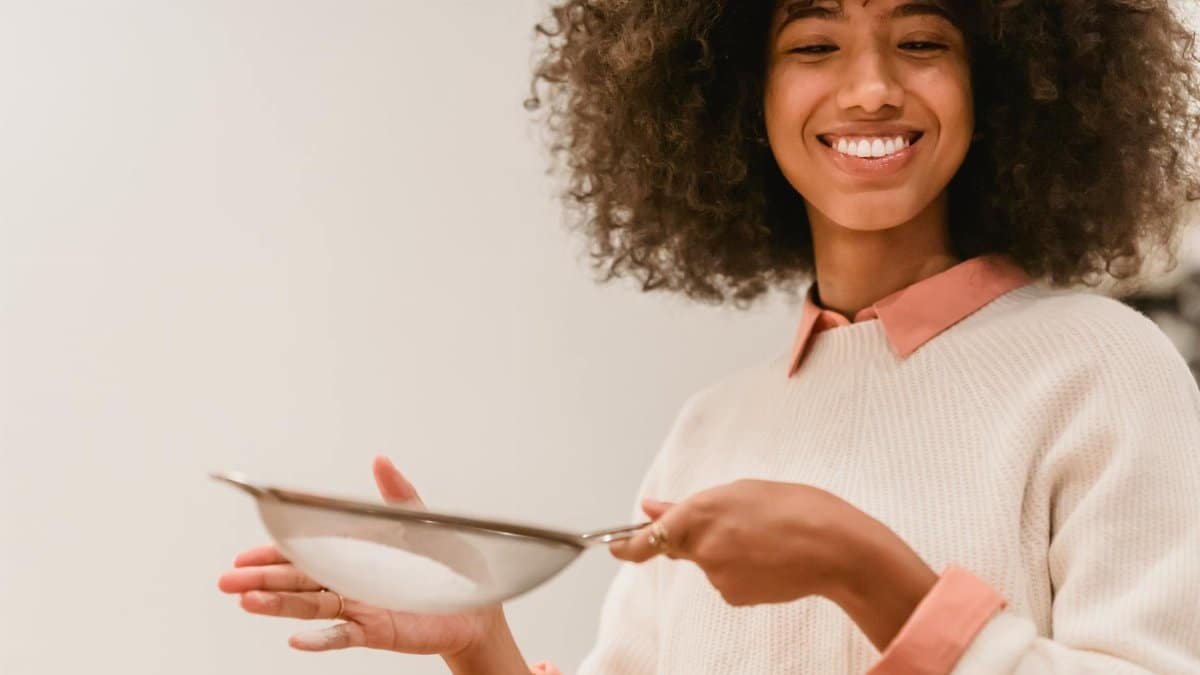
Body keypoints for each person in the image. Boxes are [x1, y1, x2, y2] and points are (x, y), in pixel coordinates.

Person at [217, 0, 1200, 672]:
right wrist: (483, 647)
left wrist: (870, 573)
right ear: (740, 95)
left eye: (922, 40)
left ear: (1004, 81)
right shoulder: (714, 428)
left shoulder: (1100, 369)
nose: (869, 89)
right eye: (814, 44)